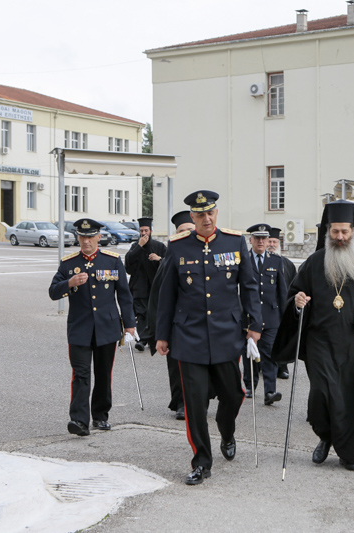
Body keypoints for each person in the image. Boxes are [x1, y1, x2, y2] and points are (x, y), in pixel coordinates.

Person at [272, 200, 354, 471]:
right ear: (327, 232)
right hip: (321, 344)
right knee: (323, 395)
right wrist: (297, 302)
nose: (340, 238)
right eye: (335, 232)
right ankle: (326, 436)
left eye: (345, 232)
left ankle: (350, 452)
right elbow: (292, 297)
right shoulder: (313, 263)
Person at [155, 190, 262, 485]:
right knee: (194, 403)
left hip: (227, 335)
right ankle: (202, 461)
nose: (206, 218)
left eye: (210, 213)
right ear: (192, 217)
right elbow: (167, 296)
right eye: (200, 214)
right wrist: (162, 335)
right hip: (188, 337)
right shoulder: (177, 247)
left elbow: (250, 287)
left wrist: (256, 325)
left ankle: (226, 430)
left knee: (234, 394)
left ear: (216, 213)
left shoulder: (234, 242)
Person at [48, 218, 136, 436]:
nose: (86, 241)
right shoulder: (68, 264)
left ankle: (100, 416)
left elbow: (124, 296)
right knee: (81, 374)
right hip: (80, 328)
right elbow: (52, 292)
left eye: (90, 237)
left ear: (99, 237)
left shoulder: (112, 261)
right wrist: (69, 283)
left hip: (107, 327)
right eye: (82, 237)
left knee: (104, 374)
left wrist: (130, 326)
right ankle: (79, 420)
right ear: (77, 237)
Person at [145, 211, 195, 420]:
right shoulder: (169, 260)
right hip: (177, 324)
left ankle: (199, 399)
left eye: (189, 230)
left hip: (202, 323)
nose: (185, 234)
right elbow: (158, 298)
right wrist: (159, 332)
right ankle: (181, 402)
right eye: (181, 231)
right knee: (177, 367)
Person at [242, 224, 287, 405]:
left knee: (269, 353)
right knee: (250, 354)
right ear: (251, 240)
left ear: (269, 241)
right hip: (249, 317)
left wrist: (284, 317)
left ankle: (270, 391)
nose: (261, 242)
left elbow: (281, 291)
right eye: (257, 238)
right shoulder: (243, 259)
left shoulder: (276, 261)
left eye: (264, 239)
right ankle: (250, 386)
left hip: (270, 316)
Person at [125, 217, 167, 352]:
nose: (144, 233)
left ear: (151, 231)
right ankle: (142, 340)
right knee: (141, 313)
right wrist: (139, 247)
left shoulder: (159, 247)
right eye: (141, 230)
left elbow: (169, 264)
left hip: (155, 287)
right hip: (139, 287)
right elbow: (128, 265)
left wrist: (159, 259)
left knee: (152, 313)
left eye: (146, 230)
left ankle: (153, 338)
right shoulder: (135, 247)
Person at [267, 227, 296, 380]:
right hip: (266, 307)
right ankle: (263, 366)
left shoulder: (288, 264)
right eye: (269, 241)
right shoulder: (259, 261)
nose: (271, 244)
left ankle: (282, 367)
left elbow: (295, 285)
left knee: (283, 337)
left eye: (274, 242)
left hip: (283, 308)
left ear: (279, 244)